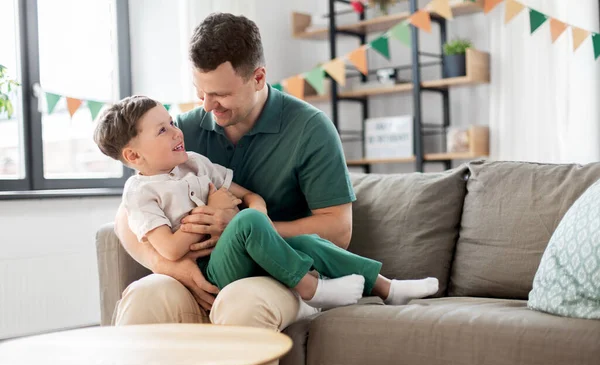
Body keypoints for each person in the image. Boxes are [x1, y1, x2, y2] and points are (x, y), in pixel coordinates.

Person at [109, 12, 436, 365]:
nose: (208, 105)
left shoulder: (311, 129)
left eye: (221, 94)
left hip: (280, 275)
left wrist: (244, 229)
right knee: (146, 293)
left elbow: (338, 229)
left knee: (241, 302)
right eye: (201, 92)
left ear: (258, 78)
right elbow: (126, 218)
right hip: (204, 271)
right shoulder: (185, 132)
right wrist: (172, 267)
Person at [94, 95, 439, 310]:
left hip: (243, 250)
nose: (176, 130)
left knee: (306, 242)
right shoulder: (140, 192)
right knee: (246, 223)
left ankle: (388, 288)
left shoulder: (194, 162)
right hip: (209, 270)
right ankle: (311, 288)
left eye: (171, 122)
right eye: (163, 130)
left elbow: (247, 196)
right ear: (133, 155)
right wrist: (216, 213)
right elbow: (167, 249)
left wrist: (254, 214)